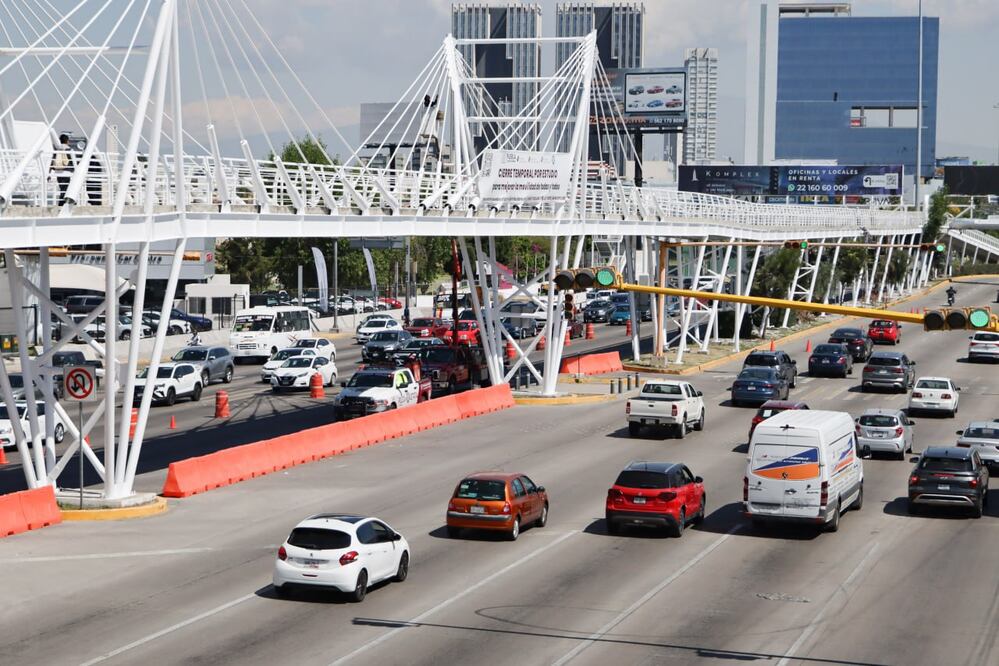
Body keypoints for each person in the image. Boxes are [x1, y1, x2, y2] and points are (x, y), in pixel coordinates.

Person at [50, 134, 74, 205]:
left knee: (62, 187)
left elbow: (52, 161)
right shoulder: (69, 149)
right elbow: (73, 161)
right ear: (67, 141)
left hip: (58, 171)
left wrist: (49, 172)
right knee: (65, 188)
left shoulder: (57, 149)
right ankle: (61, 203)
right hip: (66, 171)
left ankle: (63, 202)